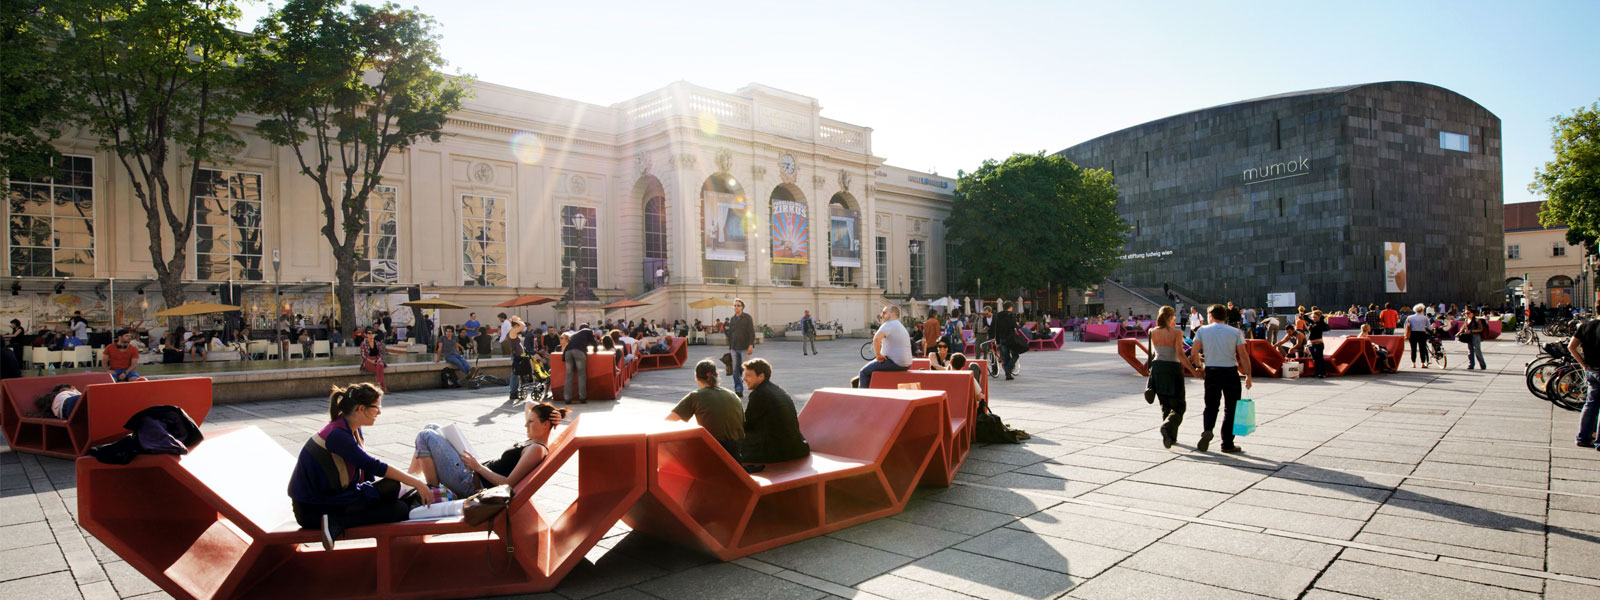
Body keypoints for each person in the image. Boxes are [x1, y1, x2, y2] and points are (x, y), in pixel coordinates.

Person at [288, 383, 435, 550]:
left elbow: (366, 473)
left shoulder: (350, 428)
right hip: (313, 511)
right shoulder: (337, 435)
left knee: (395, 496)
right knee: (396, 504)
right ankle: (336, 522)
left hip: (335, 499)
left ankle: (339, 519)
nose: (379, 412)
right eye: (376, 408)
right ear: (361, 409)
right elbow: (374, 465)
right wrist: (417, 483)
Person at [410, 402, 568, 500]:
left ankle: (433, 492)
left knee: (425, 436)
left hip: (470, 483)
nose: (526, 424)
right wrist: (553, 414)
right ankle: (410, 479)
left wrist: (477, 467)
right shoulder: (535, 439)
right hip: (473, 473)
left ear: (545, 425)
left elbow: (508, 483)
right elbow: (528, 405)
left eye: (531, 421)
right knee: (432, 427)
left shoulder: (536, 449)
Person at [1190, 304, 1252, 453]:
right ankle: (1227, 443)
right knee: (1231, 409)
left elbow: (1193, 352)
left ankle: (1208, 430)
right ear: (1225, 316)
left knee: (1211, 406)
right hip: (1230, 372)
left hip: (1212, 371)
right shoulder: (1236, 332)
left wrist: (1199, 367)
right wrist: (1249, 375)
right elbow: (1243, 355)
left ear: (1211, 316)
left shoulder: (1202, 330)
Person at [669, 359, 746, 462]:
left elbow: (669, 420)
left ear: (696, 377)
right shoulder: (733, 395)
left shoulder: (696, 396)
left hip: (712, 449)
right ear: (717, 375)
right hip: (735, 451)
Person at [1144, 306, 1197, 449]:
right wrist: (1193, 370)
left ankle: (1170, 437)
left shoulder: (1152, 331)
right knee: (1179, 406)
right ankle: (1167, 427)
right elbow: (1180, 354)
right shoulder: (1176, 332)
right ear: (1170, 317)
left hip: (1157, 368)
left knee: (1165, 404)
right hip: (1172, 368)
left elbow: (1154, 353)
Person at [739, 358, 809, 465]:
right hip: (796, 448)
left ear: (761, 376)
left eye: (748, 375)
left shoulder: (760, 394)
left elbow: (746, 424)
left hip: (776, 452)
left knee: (731, 445)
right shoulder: (777, 390)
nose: (744, 379)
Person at [1566, 298, 1600, 452]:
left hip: (1591, 370)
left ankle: (1583, 437)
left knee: (1590, 404)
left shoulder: (1585, 326)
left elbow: (1571, 347)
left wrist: (1583, 364)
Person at [857, 305, 913, 388]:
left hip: (895, 363)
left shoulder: (889, 324)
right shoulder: (899, 325)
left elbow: (876, 339)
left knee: (864, 372)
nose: (881, 315)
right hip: (905, 364)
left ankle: (863, 395)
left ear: (893, 314)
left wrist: (878, 355)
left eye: (884, 313)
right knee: (872, 368)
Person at [726, 299, 755, 399]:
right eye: (735, 305)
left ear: (742, 307)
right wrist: (730, 348)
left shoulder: (747, 318)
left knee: (746, 369)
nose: (736, 307)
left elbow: (751, 332)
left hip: (744, 348)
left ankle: (753, 388)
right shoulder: (732, 319)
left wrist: (751, 345)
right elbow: (731, 334)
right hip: (734, 348)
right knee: (735, 370)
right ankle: (738, 390)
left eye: (738, 305)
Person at [563, 324, 597, 404]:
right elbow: (594, 343)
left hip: (567, 352)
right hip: (579, 352)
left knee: (569, 375)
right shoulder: (588, 331)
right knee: (581, 375)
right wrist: (595, 350)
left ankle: (567, 398)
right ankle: (582, 397)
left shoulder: (575, 334)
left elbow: (569, 345)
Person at [990, 301, 1020, 379]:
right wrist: (1017, 324)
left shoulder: (998, 315)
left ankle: (1008, 375)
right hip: (1010, 338)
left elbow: (997, 329)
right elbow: (1014, 326)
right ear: (1010, 307)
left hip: (1002, 338)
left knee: (1006, 357)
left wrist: (997, 341)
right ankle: (1008, 369)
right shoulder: (1011, 315)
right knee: (1015, 355)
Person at [1403, 303, 1432, 368]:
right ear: (1422, 310)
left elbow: (1405, 326)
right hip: (1422, 334)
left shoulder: (1410, 317)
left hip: (1413, 334)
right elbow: (1429, 327)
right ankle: (1422, 363)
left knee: (1413, 348)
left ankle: (1413, 363)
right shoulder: (1425, 318)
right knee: (1422, 348)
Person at [360, 327, 388, 391]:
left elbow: (380, 353)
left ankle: (379, 384)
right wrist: (371, 361)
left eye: (373, 333)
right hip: (368, 361)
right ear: (366, 335)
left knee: (380, 365)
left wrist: (379, 359)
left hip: (377, 360)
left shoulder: (378, 343)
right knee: (380, 369)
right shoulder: (363, 343)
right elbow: (362, 355)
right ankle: (382, 387)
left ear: (374, 335)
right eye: (369, 333)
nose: (371, 335)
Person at [1305, 310, 1330, 379]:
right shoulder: (1312, 323)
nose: (1314, 318)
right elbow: (1304, 316)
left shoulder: (1320, 323)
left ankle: (1322, 373)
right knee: (1315, 359)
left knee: (1319, 359)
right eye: (1313, 317)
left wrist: (1319, 315)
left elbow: (1322, 318)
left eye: (1315, 317)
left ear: (1319, 317)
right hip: (1311, 344)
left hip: (1318, 344)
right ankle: (1317, 373)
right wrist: (1312, 312)